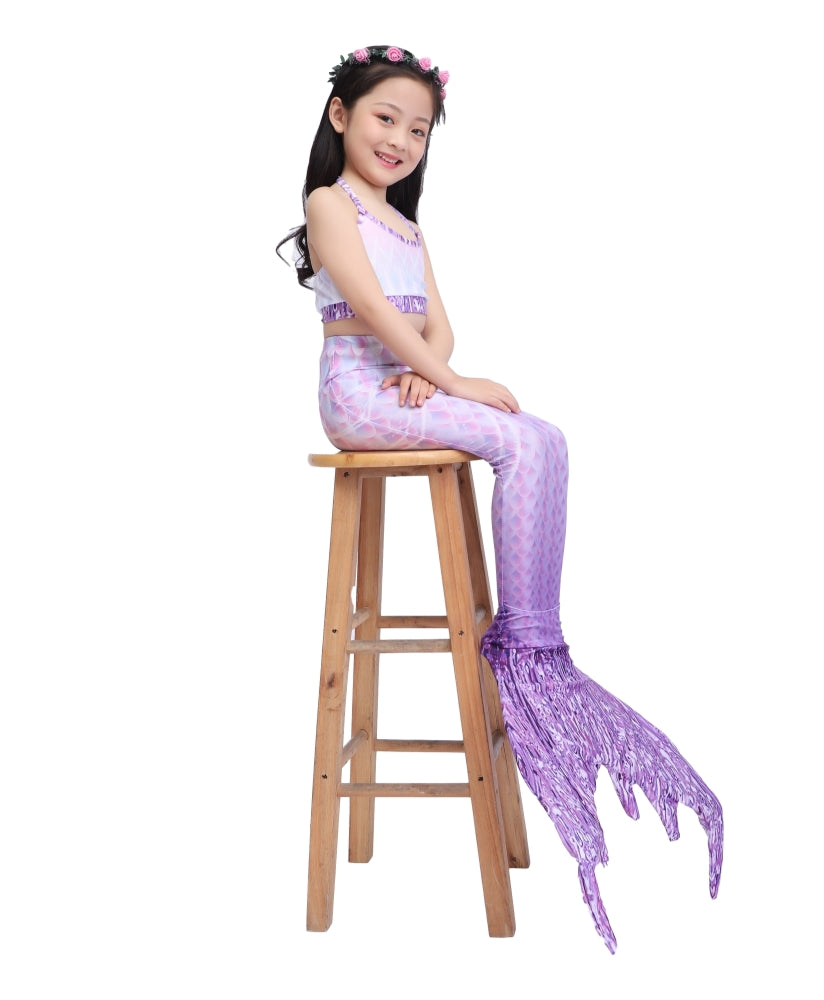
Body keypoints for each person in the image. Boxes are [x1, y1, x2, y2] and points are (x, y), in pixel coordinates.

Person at [277, 45, 723, 954]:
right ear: (341, 117)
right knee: (520, 435)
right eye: (385, 118)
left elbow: (435, 322)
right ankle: (524, 657)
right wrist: (448, 382)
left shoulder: (404, 223)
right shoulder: (330, 206)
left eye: (418, 129)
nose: (400, 139)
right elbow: (376, 315)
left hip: (401, 386)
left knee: (545, 436)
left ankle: (534, 640)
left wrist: (431, 371)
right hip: (356, 396)